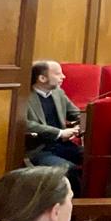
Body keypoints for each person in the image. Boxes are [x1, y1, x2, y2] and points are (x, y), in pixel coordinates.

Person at [25, 61, 82, 194]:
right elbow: (25, 123)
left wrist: (83, 123)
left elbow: (75, 113)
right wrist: (59, 133)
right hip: (39, 149)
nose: (63, 76)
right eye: (58, 73)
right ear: (42, 78)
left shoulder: (58, 92)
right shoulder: (24, 95)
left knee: (93, 160)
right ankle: (76, 209)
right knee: (68, 169)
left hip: (63, 145)